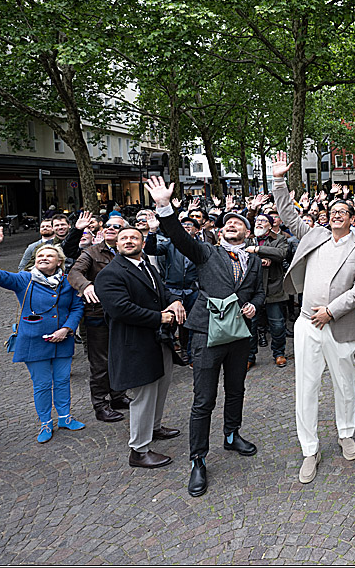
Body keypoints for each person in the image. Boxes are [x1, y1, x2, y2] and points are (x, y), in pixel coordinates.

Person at [144, 176, 266, 497]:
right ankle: (198, 459)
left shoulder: (254, 260)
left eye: (237, 223)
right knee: (204, 399)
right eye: (227, 223)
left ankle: (231, 434)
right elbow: (179, 238)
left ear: (247, 232)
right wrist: (164, 207)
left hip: (239, 336)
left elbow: (260, 293)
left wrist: (253, 305)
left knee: (236, 389)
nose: (231, 226)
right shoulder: (206, 253)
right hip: (206, 334)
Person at [269, 152, 355, 483]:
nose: (335, 217)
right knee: (307, 386)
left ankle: (345, 433)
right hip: (305, 323)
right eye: (332, 212)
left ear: (353, 218)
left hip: (339, 325)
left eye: (342, 212)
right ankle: (309, 449)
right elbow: (287, 214)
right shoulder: (313, 235)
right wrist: (278, 180)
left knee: (344, 384)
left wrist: (331, 310)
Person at [0, 227, 86, 443]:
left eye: (50, 255)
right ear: (34, 261)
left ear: (59, 262)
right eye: (40, 255)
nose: (44, 258)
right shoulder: (23, 279)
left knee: (62, 380)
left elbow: (77, 307)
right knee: (42, 384)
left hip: (62, 339)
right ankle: (46, 422)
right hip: (33, 341)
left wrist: (66, 329)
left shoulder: (68, 281)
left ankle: (65, 417)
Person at [95, 226, 186, 469]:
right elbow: (120, 309)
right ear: (116, 244)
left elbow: (162, 292)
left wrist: (175, 301)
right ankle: (139, 449)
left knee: (161, 386)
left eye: (134, 237)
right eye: (123, 238)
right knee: (144, 396)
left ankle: (154, 428)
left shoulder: (147, 266)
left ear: (143, 243)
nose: (128, 241)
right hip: (135, 344)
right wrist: (160, 317)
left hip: (159, 341)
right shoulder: (110, 274)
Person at [65, 212, 131, 423]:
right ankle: (100, 404)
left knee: (119, 357)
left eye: (117, 227)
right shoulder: (91, 253)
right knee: (100, 363)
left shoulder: (131, 252)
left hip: (123, 314)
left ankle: (118, 396)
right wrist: (86, 286)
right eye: (108, 226)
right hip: (97, 314)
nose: (111, 228)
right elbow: (74, 273)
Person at [145, 214, 201, 364]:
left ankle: (187, 353)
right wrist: (152, 231)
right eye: (183, 226)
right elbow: (150, 250)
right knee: (168, 324)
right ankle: (165, 355)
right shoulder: (170, 244)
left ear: (197, 230)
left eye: (190, 226)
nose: (186, 228)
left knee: (190, 324)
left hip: (192, 291)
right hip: (172, 290)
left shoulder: (201, 246)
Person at [245, 213, 289, 368]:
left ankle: (279, 353)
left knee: (277, 324)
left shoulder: (279, 239)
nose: (259, 223)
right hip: (251, 289)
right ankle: (249, 356)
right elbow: (240, 254)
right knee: (251, 325)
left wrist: (257, 250)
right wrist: (258, 260)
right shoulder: (248, 238)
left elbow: (281, 254)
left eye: (263, 221)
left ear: (270, 225)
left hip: (273, 287)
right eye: (257, 221)